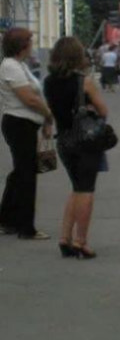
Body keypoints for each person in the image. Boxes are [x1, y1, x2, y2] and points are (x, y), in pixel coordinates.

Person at [44, 37, 109, 259]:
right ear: (77, 56)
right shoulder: (84, 81)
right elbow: (103, 110)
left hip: (64, 139)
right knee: (86, 190)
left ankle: (64, 238)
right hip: (85, 140)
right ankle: (81, 241)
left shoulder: (49, 81)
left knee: (76, 187)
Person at [0, 28, 54, 240]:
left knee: (20, 173)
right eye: (30, 42)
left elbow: (33, 96)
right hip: (18, 123)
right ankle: (26, 227)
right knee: (26, 175)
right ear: (22, 45)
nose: (32, 45)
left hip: (25, 123)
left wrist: (44, 119)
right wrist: (48, 114)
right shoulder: (11, 66)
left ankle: (6, 218)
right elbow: (28, 98)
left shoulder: (20, 65)